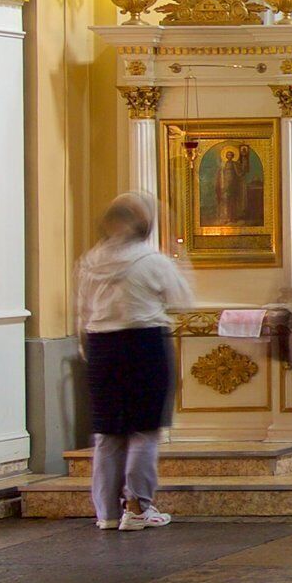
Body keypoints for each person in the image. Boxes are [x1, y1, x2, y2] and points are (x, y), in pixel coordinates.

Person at [76, 193, 192, 531]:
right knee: (144, 430)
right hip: (144, 344)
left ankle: (107, 513)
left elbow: (81, 312)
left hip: (101, 347)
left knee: (108, 433)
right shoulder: (151, 261)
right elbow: (182, 299)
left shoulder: (90, 261)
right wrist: (179, 256)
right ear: (144, 226)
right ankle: (138, 507)